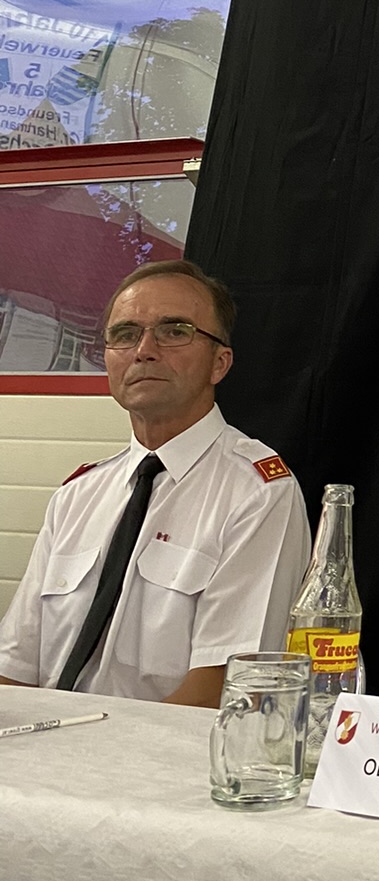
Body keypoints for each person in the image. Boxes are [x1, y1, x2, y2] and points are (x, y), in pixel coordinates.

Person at [0, 260, 309, 707]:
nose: (144, 350)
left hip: (166, 750)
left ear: (219, 363)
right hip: (47, 742)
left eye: (174, 331)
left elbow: (224, 691)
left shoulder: (257, 494)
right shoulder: (76, 496)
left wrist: (87, 748)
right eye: (125, 334)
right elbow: (13, 668)